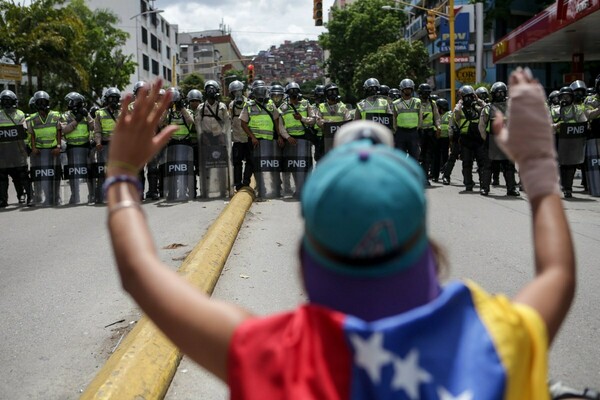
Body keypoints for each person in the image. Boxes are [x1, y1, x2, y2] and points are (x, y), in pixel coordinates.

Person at [105, 70, 574, 398]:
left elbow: (139, 272)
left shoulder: (276, 358)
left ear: (304, 261)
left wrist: (123, 174)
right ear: (431, 251)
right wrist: (536, 166)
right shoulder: (495, 341)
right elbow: (557, 273)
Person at [479, 82, 520, 197]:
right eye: (498, 93)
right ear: (493, 94)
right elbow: (482, 126)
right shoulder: (488, 108)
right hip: (492, 141)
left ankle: (511, 189)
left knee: (509, 166)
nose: (500, 95)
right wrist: (486, 139)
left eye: (502, 92)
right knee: (488, 165)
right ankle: (485, 188)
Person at [453, 85, 491, 195]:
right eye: (466, 97)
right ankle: (468, 184)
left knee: (482, 163)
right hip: (466, 140)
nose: (468, 99)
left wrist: (478, 100)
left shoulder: (477, 108)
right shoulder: (460, 109)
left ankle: (483, 184)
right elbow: (456, 113)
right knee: (467, 163)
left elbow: (487, 108)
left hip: (478, 140)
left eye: (470, 96)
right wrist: (460, 102)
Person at [27, 90, 63, 206]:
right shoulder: (32, 118)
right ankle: (48, 198)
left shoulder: (56, 115)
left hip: (54, 151)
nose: (42, 104)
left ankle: (56, 197)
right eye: (40, 102)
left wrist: (58, 147)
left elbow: (59, 132)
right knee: (44, 175)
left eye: (44, 101)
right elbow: (32, 135)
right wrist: (33, 148)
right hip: (40, 152)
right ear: (36, 103)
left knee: (56, 174)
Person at [552, 87, 587, 198]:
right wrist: (555, 126)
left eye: (567, 96)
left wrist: (586, 125)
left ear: (572, 97)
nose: (565, 99)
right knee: (561, 164)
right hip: (559, 140)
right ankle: (563, 184)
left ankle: (568, 188)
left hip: (573, 140)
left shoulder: (577, 109)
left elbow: (583, 122)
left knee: (571, 165)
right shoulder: (555, 110)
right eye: (563, 97)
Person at [60, 91, 94, 204]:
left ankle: (92, 195)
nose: (68, 104)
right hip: (72, 147)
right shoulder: (65, 115)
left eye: (69, 101)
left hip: (85, 146)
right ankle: (75, 196)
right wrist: (77, 119)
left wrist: (87, 116)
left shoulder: (85, 114)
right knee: (73, 173)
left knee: (90, 172)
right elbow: (64, 130)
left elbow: (94, 127)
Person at [0, 89, 31, 207]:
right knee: (2, 176)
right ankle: (3, 199)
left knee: (20, 174)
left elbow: (23, 131)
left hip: (17, 148)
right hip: (2, 150)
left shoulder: (20, 114)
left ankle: (23, 196)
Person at [93, 87, 122, 204]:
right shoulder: (99, 113)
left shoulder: (123, 112)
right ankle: (100, 195)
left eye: (115, 98)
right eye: (111, 98)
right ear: (106, 99)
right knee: (103, 171)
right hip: (104, 146)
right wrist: (98, 143)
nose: (113, 101)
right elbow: (97, 131)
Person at [228, 80, 253, 192]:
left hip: (248, 137)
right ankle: (238, 183)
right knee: (237, 162)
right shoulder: (232, 105)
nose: (237, 93)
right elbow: (229, 119)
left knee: (250, 160)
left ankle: (246, 181)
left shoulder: (249, 103)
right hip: (237, 139)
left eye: (238, 91)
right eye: (235, 92)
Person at [315, 82, 352, 156]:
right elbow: (318, 121)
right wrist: (331, 122)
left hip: (340, 138)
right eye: (330, 92)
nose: (333, 94)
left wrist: (329, 123)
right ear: (326, 94)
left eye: (334, 92)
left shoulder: (342, 107)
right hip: (326, 138)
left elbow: (348, 122)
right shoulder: (321, 106)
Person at [417, 83, 441, 185]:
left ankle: (425, 178)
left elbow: (436, 116)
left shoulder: (432, 103)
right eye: (424, 92)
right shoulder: (416, 103)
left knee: (427, 157)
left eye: (428, 92)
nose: (426, 94)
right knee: (418, 156)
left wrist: (438, 128)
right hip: (419, 132)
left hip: (429, 132)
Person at [392, 78, 422, 160]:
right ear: (402, 90)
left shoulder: (417, 102)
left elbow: (420, 116)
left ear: (412, 90)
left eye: (409, 89)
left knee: (415, 157)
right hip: (401, 132)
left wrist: (418, 128)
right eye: (406, 89)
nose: (408, 91)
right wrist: (395, 131)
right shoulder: (395, 103)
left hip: (413, 132)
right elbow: (394, 118)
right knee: (400, 158)